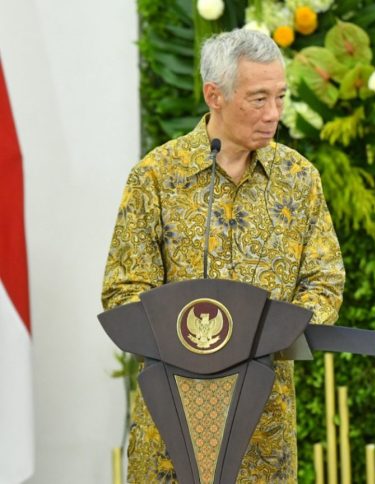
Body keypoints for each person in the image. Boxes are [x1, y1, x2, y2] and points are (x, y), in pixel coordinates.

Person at [101, 29, 345, 482]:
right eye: (258, 99)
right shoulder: (156, 177)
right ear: (215, 95)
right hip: (171, 423)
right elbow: (122, 289)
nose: (273, 114)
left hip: (263, 431)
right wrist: (192, 342)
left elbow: (324, 280)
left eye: (280, 97)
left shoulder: (298, 179)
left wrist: (282, 330)